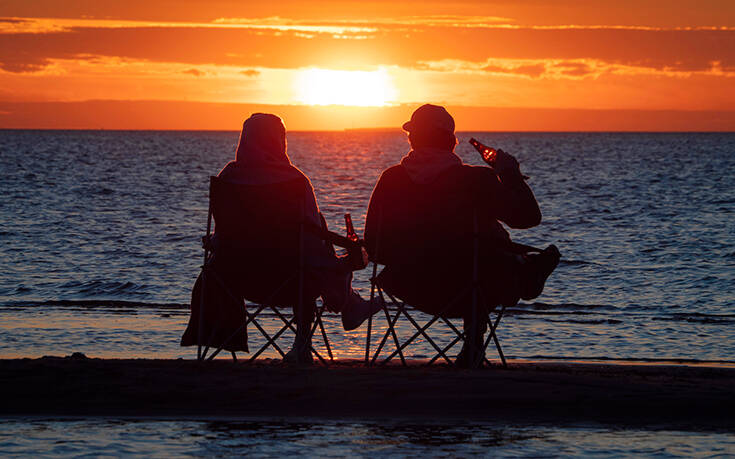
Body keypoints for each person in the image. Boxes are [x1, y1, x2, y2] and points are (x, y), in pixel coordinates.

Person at [364, 104, 560, 367]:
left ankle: (523, 268)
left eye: (411, 133)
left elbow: (374, 248)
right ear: (451, 141)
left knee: (479, 251)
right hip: (469, 288)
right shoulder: (476, 179)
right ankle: (523, 276)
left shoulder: (391, 180)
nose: (408, 138)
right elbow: (528, 218)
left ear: (414, 138)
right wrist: (510, 176)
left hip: (407, 284)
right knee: (482, 256)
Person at [210, 113, 379, 363]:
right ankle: (314, 334)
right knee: (310, 262)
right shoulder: (294, 181)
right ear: (280, 141)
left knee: (309, 259)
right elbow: (310, 242)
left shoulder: (227, 179)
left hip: (237, 279)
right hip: (292, 282)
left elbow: (223, 235)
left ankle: (349, 303)